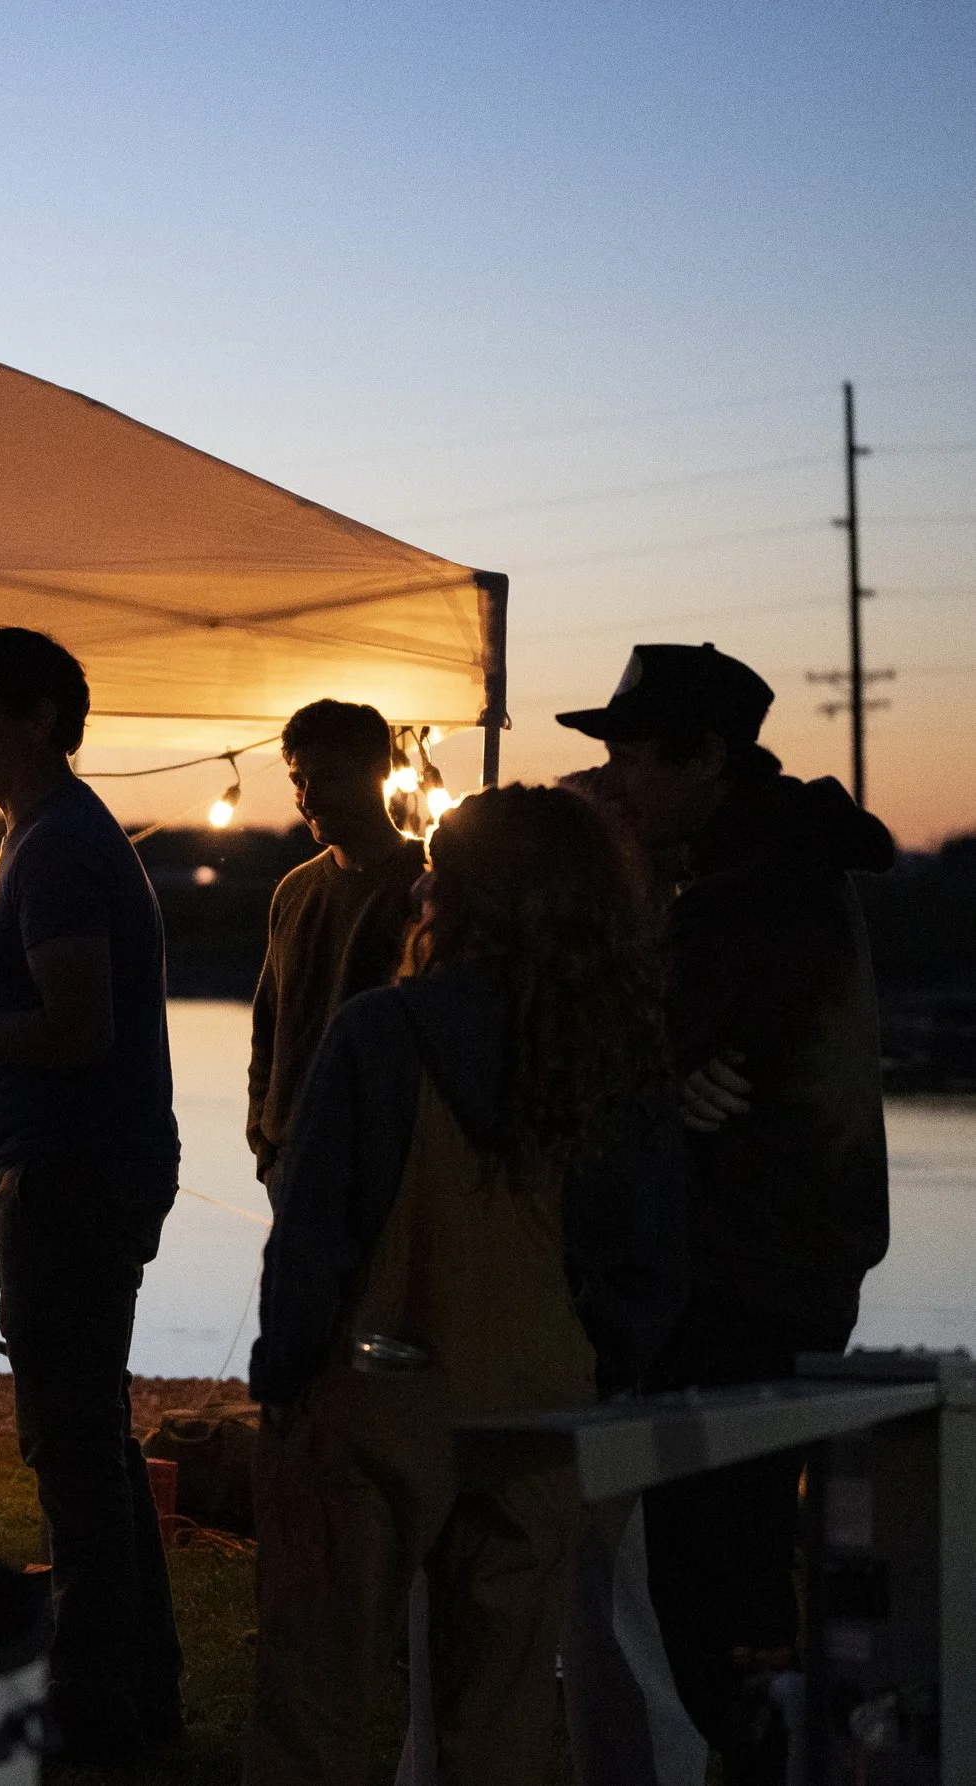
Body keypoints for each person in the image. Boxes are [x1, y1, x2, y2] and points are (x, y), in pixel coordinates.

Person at [243, 784, 684, 1786]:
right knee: (503, 1712)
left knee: (315, 1703)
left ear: (461, 892)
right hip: (540, 1411)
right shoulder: (615, 1054)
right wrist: (592, 1372)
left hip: (370, 1403)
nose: (423, 878)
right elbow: (648, 1260)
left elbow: (312, 1238)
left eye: (439, 861)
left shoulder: (379, 1033)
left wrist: (284, 1380)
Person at [556, 643, 892, 1780]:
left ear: (707, 759)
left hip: (733, 1288)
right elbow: (650, 1067)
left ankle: (769, 1758)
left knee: (714, 1592)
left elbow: (604, 1066)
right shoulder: (762, 871)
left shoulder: (751, 894)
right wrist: (663, 1086)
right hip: (776, 1275)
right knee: (726, 1576)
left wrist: (650, 1086)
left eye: (632, 757)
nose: (615, 781)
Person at [0, 626, 185, 1760]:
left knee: (68, 1439)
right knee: (92, 1434)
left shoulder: (60, 851)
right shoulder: (47, 838)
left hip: (77, 1172)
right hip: (85, 1161)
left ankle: (94, 1710)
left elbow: (78, 1032)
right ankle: (135, 1687)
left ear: (38, 718)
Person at [246, 699, 428, 1190]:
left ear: (379, 772)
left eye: (327, 778)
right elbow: (268, 1027)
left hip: (386, 1170)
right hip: (293, 1163)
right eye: (298, 781)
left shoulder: (427, 888)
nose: (309, 797)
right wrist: (266, 1142)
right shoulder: (294, 890)